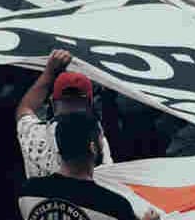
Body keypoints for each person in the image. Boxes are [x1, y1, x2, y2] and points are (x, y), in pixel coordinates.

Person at [17, 111, 156, 220]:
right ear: (93, 147)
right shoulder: (114, 206)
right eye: (101, 137)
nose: (103, 142)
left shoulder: (28, 190)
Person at [16, 50, 113, 179]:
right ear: (90, 104)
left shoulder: (37, 136)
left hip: (38, 198)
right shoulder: (97, 141)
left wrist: (49, 72)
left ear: (53, 103)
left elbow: (25, 108)